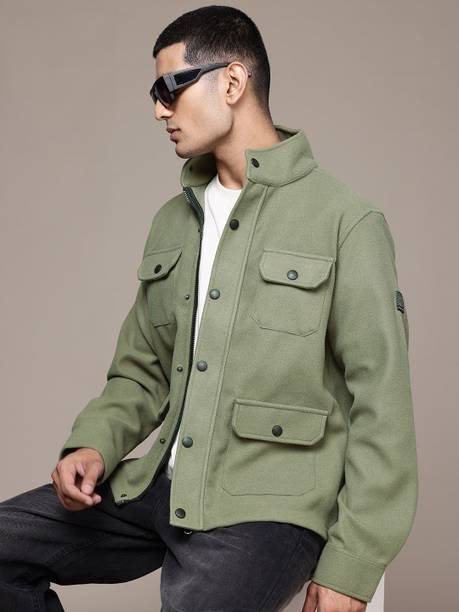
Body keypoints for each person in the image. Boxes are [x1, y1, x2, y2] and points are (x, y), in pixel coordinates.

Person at [0, 5, 418, 612]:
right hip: (162, 486)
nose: (159, 109)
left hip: (270, 509)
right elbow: (142, 369)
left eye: (169, 87)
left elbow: (383, 405)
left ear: (232, 81)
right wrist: (92, 445)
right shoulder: (173, 222)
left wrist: (354, 565)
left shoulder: (345, 222)